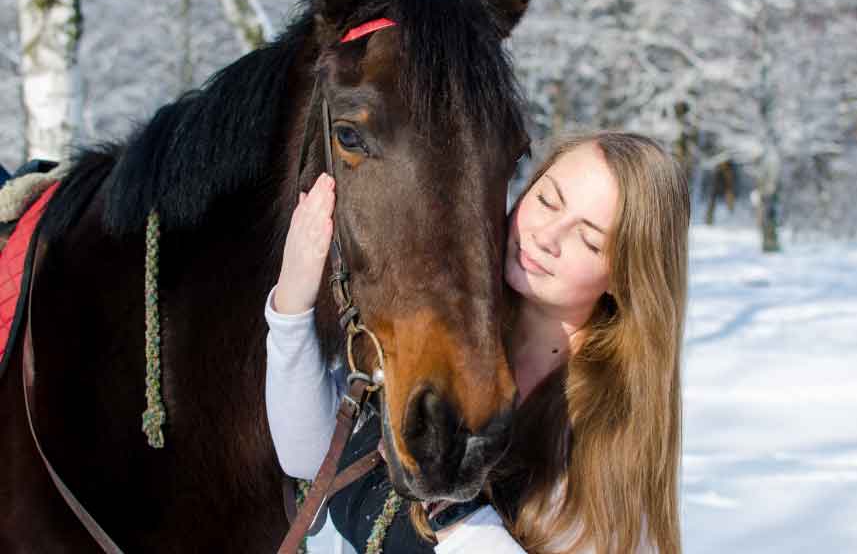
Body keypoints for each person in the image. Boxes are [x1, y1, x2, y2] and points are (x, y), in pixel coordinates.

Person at [265, 131, 690, 554]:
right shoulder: (438, 323)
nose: (546, 236)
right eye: (547, 201)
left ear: (626, 276)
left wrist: (460, 522)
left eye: (588, 239)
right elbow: (310, 455)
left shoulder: (608, 429)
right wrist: (293, 303)